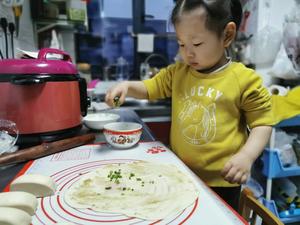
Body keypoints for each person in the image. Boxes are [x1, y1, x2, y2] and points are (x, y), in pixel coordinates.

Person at [105, 0, 274, 210]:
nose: (188, 53)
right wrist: (127, 86)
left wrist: (246, 156)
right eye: (181, 44)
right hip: (180, 173)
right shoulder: (178, 73)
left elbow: (263, 124)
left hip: (222, 182)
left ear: (227, 35)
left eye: (197, 44)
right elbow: (150, 88)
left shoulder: (244, 79)